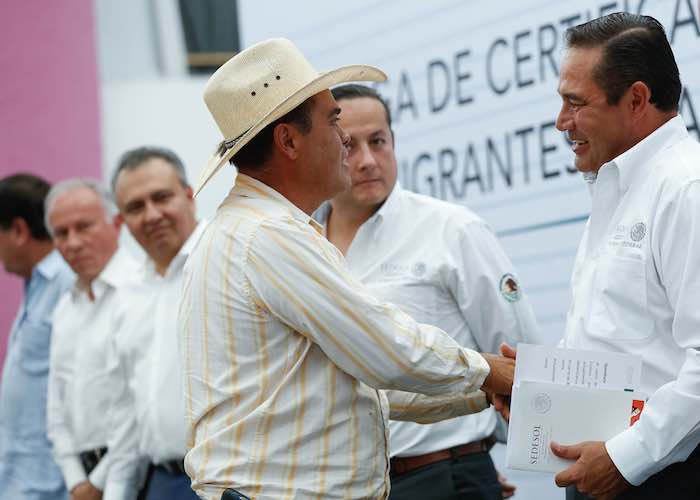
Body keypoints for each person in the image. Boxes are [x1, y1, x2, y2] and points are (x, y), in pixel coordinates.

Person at [179, 38, 515, 500]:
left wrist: (481, 391)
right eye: (334, 121)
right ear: (289, 140)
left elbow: (357, 387)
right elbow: (388, 351)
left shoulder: (248, 231)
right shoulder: (269, 235)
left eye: (375, 138)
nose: (344, 140)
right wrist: (494, 374)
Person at [315, 83, 541, 500]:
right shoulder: (304, 246)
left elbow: (518, 355)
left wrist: (477, 464)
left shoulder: (452, 230)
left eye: (378, 141)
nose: (366, 161)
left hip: (443, 476)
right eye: (349, 145)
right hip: (347, 486)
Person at [552, 12, 700, 499]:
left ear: (636, 99)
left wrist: (625, 458)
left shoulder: (686, 188)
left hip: (665, 477)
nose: (561, 123)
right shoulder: (617, 184)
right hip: (613, 470)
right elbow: (628, 345)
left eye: (576, 103)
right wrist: (540, 386)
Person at [106, 147, 204, 500]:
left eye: (162, 197)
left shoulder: (226, 262)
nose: (152, 215)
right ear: (122, 221)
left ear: (189, 195)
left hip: (230, 483)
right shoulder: (126, 296)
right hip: (159, 483)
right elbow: (124, 411)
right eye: (135, 207)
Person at [45, 179, 138, 500]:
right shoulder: (63, 309)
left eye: (84, 227)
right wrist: (76, 481)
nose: (72, 243)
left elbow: (142, 408)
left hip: (138, 475)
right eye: (61, 233)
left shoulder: (140, 293)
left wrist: (97, 484)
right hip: (79, 480)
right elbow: (56, 409)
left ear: (117, 223)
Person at [0, 173, 73, 500]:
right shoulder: (38, 283)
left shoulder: (66, 283)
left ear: (18, 230)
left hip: (50, 484)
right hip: (22, 479)